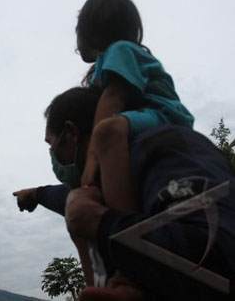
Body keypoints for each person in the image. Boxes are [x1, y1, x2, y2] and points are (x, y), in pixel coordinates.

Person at [14, 86, 235, 300]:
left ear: (71, 134)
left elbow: (219, 255)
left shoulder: (165, 149)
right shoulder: (101, 183)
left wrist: (103, 223)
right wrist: (37, 194)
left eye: (52, 146)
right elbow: (66, 198)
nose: (53, 156)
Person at [76, 0, 194, 215]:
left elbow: (113, 98)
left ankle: (125, 222)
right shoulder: (113, 58)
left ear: (92, 28)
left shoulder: (120, 50)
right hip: (147, 117)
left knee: (106, 131)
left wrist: (93, 155)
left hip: (164, 116)